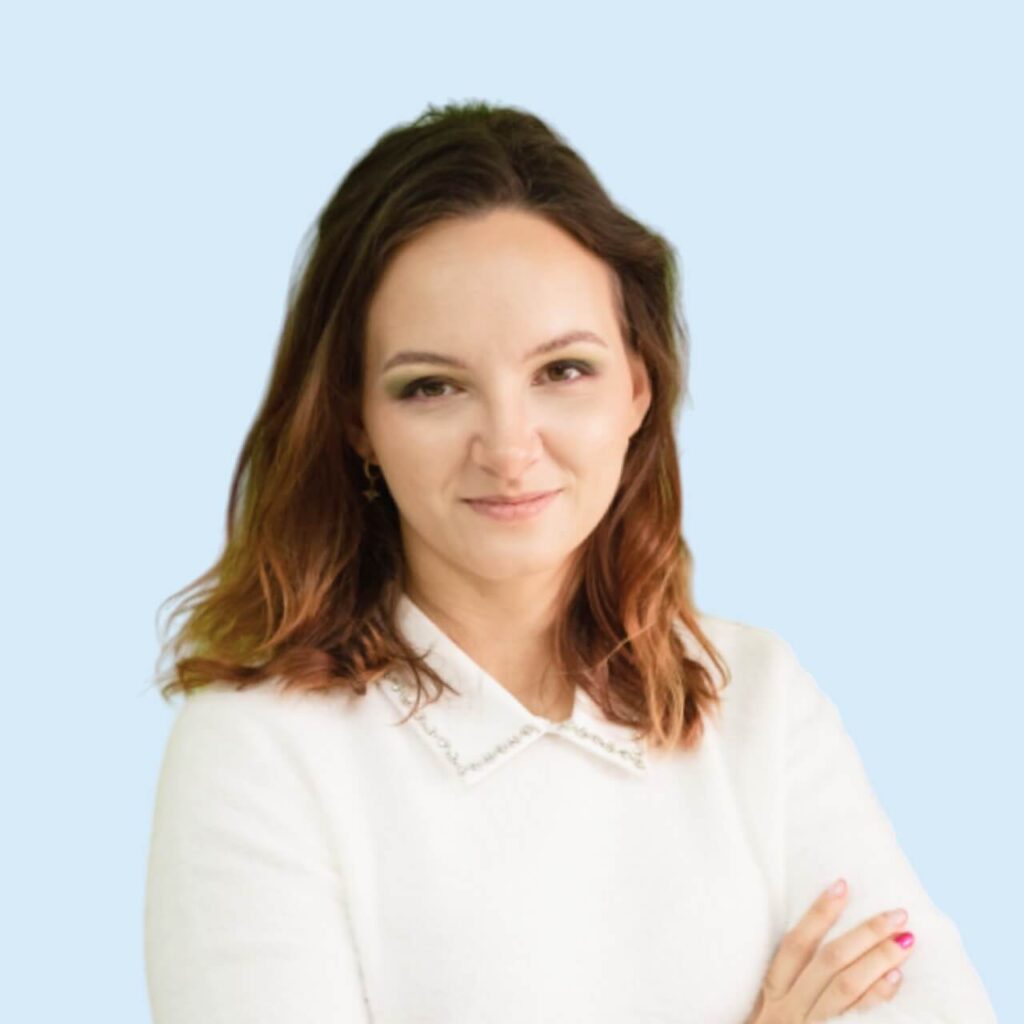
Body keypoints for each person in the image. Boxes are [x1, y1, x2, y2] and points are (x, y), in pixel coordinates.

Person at [143, 101, 997, 1023]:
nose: (510, 448)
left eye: (563, 371)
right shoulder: (257, 748)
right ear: (357, 422)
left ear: (639, 387)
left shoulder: (753, 694)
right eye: (433, 387)